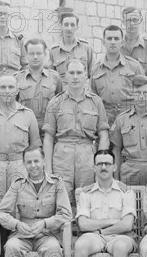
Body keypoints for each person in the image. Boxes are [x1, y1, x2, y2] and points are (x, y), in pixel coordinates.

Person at [0, 146, 72, 257]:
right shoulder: (18, 185)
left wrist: (46, 223)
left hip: (46, 233)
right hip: (23, 232)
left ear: (44, 161)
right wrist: (16, 224)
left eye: (36, 161)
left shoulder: (56, 183)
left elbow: (66, 213)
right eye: (29, 162)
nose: (33, 165)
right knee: (11, 247)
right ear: (24, 164)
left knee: (54, 250)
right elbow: (0, 213)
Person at [70, 150, 136, 257]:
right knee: (80, 246)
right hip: (94, 237)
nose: (104, 167)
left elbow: (127, 224)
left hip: (120, 236)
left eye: (107, 163)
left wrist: (101, 229)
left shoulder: (126, 191)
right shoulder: (86, 192)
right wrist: (112, 221)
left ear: (114, 166)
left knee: (121, 248)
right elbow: (83, 224)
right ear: (94, 167)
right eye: (100, 163)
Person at [44, 59, 110, 209]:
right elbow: (48, 138)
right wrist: (47, 168)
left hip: (87, 153)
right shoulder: (55, 102)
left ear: (85, 76)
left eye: (79, 73)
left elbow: (103, 134)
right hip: (62, 154)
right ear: (65, 76)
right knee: (62, 197)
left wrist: (101, 160)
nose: (75, 77)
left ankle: (85, 231)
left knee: (87, 197)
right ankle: (65, 231)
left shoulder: (96, 102)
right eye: (71, 73)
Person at [0, 75, 41, 214]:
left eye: (11, 87)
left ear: (17, 90)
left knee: (21, 206)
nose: (7, 90)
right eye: (3, 87)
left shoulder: (28, 114)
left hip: (20, 165)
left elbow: (36, 147)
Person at [90, 25, 144, 125]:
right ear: (103, 42)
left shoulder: (134, 66)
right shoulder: (96, 69)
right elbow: (93, 99)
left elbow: (144, 94)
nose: (113, 42)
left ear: (122, 42)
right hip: (105, 120)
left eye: (116, 38)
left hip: (130, 119)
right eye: (109, 38)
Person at [15, 38, 63, 136]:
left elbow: (60, 105)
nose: (35, 57)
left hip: (48, 131)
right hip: (24, 130)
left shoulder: (55, 77)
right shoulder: (17, 78)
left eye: (39, 53)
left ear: (45, 54)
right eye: (31, 53)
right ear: (26, 55)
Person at [121, 7, 147, 109]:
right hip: (122, 101)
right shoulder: (117, 45)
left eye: (135, 20)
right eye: (128, 20)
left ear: (140, 20)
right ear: (123, 22)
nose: (132, 24)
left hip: (142, 100)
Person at [48, 13, 94, 86]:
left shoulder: (86, 47)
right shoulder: (54, 50)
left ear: (77, 27)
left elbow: (92, 74)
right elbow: (51, 77)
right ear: (61, 26)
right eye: (66, 24)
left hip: (83, 92)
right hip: (62, 93)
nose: (69, 28)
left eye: (72, 25)